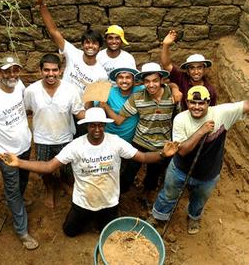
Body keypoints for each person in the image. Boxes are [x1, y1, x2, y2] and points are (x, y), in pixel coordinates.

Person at [0, 107, 180, 237]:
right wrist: (18, 162)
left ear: (104, 125)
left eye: (100, 125)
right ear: (86, 126)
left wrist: (163, 154)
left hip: (109, 201)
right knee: (69, 232)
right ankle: (87, 218)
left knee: (107, 233)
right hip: (83, 201)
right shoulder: (76, 146)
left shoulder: (115, 142)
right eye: (92, 125)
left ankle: (100, 221)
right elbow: (48, 167)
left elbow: (143, 158)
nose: (97, 129)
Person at [151, 85, 249, 235]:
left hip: (208, 173)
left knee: (199, 200)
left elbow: (246, 105)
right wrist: (201, 131)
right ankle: (159, 216)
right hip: (180, 169)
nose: (197, 107)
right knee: (169, 194)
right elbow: (182, 151)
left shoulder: (222, 113)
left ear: (208, 103)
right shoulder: (180, 119)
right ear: (187, 102)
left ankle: (193, 217)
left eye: (201, 103)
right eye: (193, 103)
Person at [0, 56, 38, 250]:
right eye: (7, 71)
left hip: (25, 145)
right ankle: (22, 230)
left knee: (22, 180)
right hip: (5, 153)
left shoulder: (19, 85)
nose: (12, 74)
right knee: (12, 189)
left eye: (15, 70)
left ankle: (17, 201)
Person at [101, 62, 181, 201]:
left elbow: (177, 114)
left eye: (155, 80)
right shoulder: (137, 97)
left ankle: (145, 195)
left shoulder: (172, 96)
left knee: (153, 174)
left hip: (162, 144)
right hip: (140, 141)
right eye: (147, 81)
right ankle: (119, 194)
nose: (151, 85)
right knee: (129, 172)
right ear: (143, 82)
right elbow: (119, 120)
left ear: (162, 80)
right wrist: (105, 106)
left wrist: (175, 88)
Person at [24, 53, 85, 208]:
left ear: (60, 70)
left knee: (67, 167)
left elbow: (79, 113)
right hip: (42, 138)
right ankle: (50, 190)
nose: (50, 74)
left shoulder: (71, 90)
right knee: (44, 170)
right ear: (40, 70)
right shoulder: (31, 91)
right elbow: (27, 111)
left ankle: (65, 184)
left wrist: (97, 116)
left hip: (65, 136)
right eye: (46, 70)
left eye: (54, 70)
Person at [33, 0, 108, 96]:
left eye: (94, 43)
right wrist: (42, 4)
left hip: (81, 111)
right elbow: (53, 31)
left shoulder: (101, 74)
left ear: (100, 47)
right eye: (87, 42)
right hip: (62, 103)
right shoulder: (73, 53)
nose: (90, 46)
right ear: (82, 45)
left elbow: (98, 101)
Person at [161, 29, 217, 110]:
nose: (196, 72)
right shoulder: (181, 78)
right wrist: (165, 45)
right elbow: (166, 65)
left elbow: (211, 112)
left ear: (205, 70)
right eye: (192, 68)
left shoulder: (210, 90)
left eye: (199, 67)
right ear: (187, 70)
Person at [99, 67, 142, 143]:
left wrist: (106, 106)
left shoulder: (139, 91)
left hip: (130, 141)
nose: (124, 81)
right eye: (121, 77)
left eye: (128, 77)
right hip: (109, 138)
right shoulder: (109, 92)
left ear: (133, 80)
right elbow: (98, 110)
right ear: (116, 80)